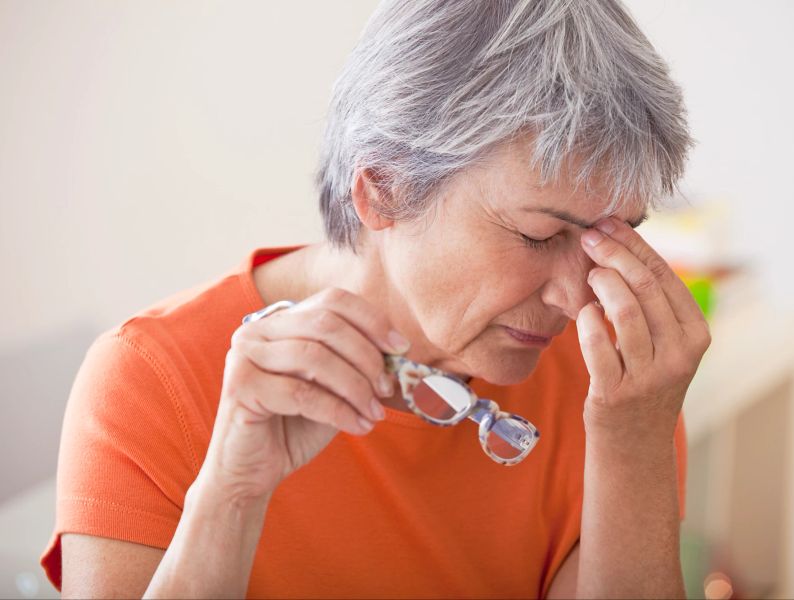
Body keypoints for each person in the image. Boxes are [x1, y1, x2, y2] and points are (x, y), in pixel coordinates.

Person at [41, 0, 710, 597]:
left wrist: (635, 445)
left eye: (611, 239)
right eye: (538, 236)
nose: (574, 298)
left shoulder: (621, 390)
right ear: (384, 190)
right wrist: (230, 500)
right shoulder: (151, 381)